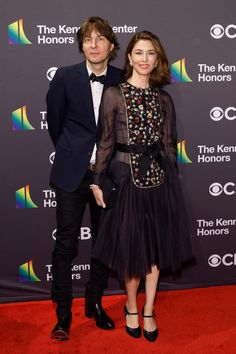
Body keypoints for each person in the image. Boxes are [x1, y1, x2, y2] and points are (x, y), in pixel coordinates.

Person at [91, 31, 194, 342]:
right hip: (126, 183)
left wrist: (170, 182)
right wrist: (97, 180)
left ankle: (149, 309)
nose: (145, 59)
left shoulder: (164, 98)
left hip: (159, 184)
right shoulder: (114, 94)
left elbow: (169, 144)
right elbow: (105, 142)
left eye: (151, 53)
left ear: (157, 59)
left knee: (154, 253)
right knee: (132, 251)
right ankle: (131, 306)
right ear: (129, 57)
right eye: (139, 52)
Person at [46, 16, 122, 340]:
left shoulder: (123, 78)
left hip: (107, 176)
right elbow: (55, 123)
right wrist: (76, 155)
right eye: (88, 39)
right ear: (82, 45)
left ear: (111, 46)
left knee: (103, 244)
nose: (93, 44)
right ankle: (63, 315)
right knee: (66, 245)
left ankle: (95, 302)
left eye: (100, 38)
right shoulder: (64, 77)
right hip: (70, 174)